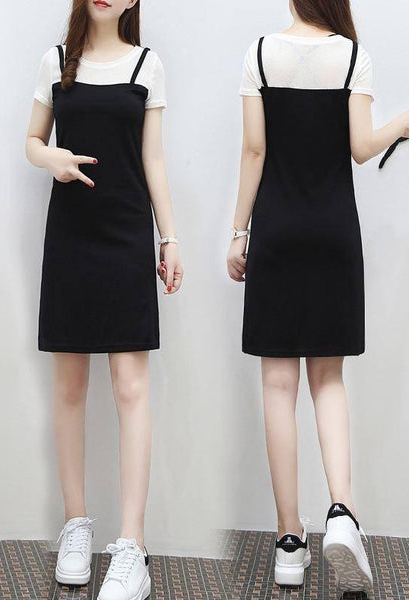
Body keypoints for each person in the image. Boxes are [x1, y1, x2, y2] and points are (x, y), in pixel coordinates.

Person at [227, 0, 409, 592]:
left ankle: (288, 540)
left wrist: (238, 232)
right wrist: (402, 124)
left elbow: (254, 151)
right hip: (334, 233)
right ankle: (343, 513)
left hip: (277, 233)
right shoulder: (354, 57)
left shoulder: (260, 54)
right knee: (328, 381)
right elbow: (361, 147)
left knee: (278, 386)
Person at [26, 1, 182, 598]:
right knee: (69, 388)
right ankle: (75, 524)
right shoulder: (56, 61)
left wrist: (169, 238)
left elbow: (153, 157)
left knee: (131, 388)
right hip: (70, 235)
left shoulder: (147, 65)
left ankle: (132, 546)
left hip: (125, 234)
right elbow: (32, 141)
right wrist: (53, 159)